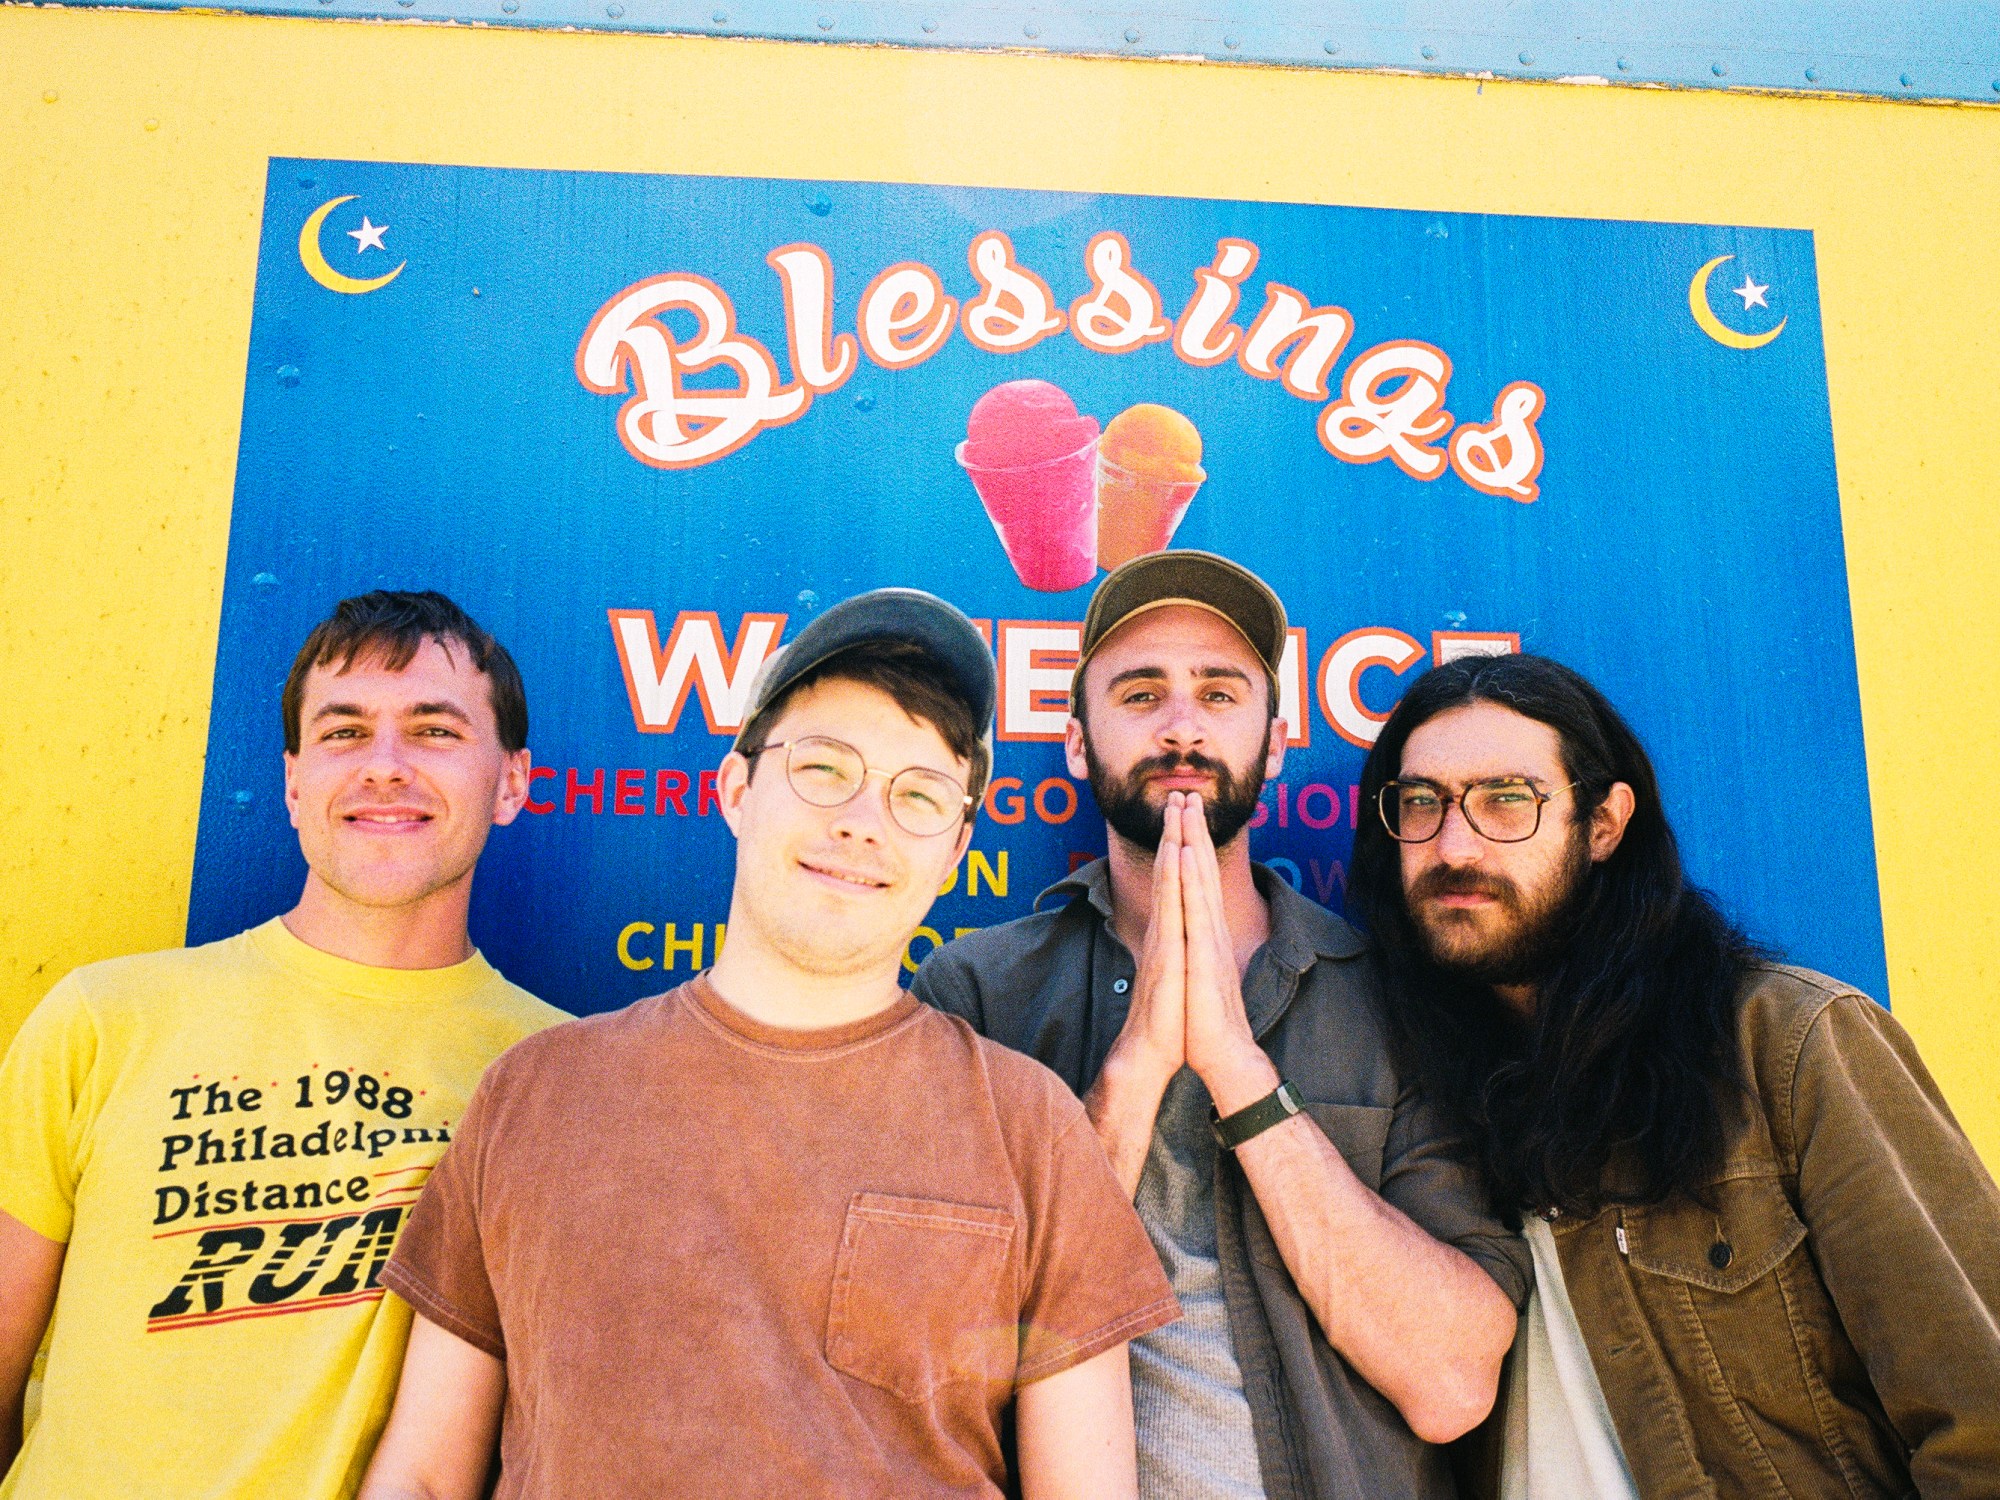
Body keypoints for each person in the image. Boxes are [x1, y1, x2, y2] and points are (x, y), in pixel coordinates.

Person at [359, 588, 1178, 1500]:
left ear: (955, 851)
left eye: (918, 794)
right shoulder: (533, 1093)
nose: (862, 821)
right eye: (824, 769)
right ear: (737, 790)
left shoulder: (1029, 1128)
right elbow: (423, 1474)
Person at [914, 551, 1528, 1500]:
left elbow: (1450, 1384)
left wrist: (1239, 1070)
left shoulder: (1397, 999)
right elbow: (942, 1358)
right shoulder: (979, 995)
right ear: (1077, 743)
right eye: (1140, 694)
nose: (1182, 727)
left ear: (1274, 744)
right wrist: (1134, 1071)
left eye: (1218, 693)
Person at [1344, 650, 2000, 1499]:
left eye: (1507, 799)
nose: (1454, 845)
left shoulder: (1786, 1044)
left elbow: (1981, 1418)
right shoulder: (1411, 1091)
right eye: (1422, 803)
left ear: (1604, 824)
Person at [0, 590, 564, 1499]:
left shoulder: (557, 1076)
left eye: (434, 731)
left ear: (511, 782)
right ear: (294, 783)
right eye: (345, 732)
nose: (385, 766)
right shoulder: (103, 1020)